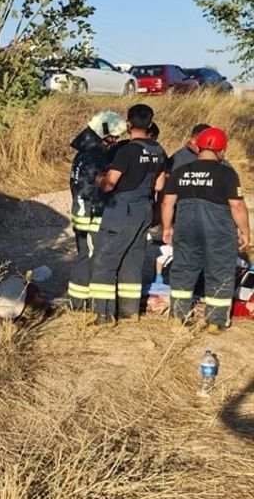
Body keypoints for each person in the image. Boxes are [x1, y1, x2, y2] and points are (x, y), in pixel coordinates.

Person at [161, 127, 249, 333]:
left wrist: (167, 227)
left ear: (198, 146)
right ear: (221, 150)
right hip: (218, 231)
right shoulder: (227, 173)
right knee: (219, 272)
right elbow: (236, 206)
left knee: (183, 270)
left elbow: (167, 203)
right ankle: (215, 321)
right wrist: (245, 231)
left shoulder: (181, 170)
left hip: (186, 228)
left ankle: (178, 316)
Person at [88, 103, 168, 325]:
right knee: (132, 261)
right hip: (144, 210)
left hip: (122, 210)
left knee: (104, 261)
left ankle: (103, 315)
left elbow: (109, 184)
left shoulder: (127, 151)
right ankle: (130, 312)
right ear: (150, 124)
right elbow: (160, 185)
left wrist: (98, 179)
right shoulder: (158, 151)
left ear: (128, 124)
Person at [67, 110, 127, 311]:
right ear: (104, 134)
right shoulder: (94, 158)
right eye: (115, 137)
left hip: (82, 210)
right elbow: (104, 184)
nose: (116, 141)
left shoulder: (84, 154)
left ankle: (78, 301)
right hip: (91, 213)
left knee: (85, 253)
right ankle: (80, 304)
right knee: (90, 256)